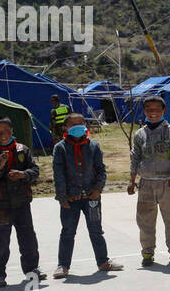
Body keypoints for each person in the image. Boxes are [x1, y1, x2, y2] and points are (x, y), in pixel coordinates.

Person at [52, 113, 124, 278]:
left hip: (92, 198)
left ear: (86, 125)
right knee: (68, 232)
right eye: (72, 124)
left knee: (96, 230)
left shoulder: (94, 146)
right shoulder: (60, 148)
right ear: (65, 127)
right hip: (71, 199)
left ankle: (103, 262)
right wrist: (62, 197)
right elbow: (59, 175)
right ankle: (63, 265)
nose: (77, 127)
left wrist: (98, 189)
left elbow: (101, 170)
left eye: (80, 123)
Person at [0, 116, 43, 288]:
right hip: (0, 205)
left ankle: (32, 269)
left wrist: (23, 175)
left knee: (28, 238)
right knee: (0, 241)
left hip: (22, 202)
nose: (3, 135)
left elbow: (35, 170)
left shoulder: (22, 149)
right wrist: (0, 165)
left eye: (6, 131)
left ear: (12, 131)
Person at [129, 96, 170, 267]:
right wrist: (132, 180)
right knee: (145, 220)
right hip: (146, 184)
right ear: (144, 111)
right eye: (148, 109)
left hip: (167, 183)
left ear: (164, 111)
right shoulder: (140, 134)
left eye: (156, 109)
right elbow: (135, 157)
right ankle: (147, 253)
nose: (152, 112)